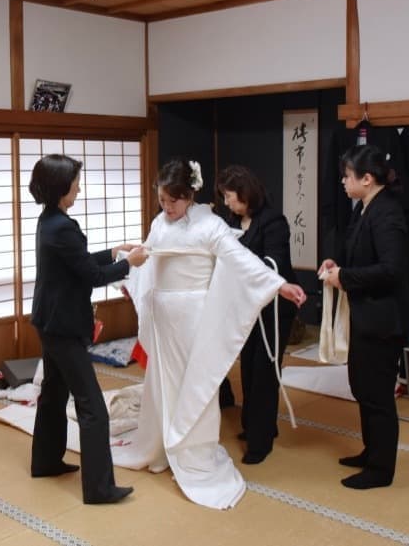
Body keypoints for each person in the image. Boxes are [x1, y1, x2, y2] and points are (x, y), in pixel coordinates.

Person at [113, 159, 306, 509]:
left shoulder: (212, 225)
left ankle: (194, 451)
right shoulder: (160, 222)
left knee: (196, 380)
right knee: (164, 381)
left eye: (174, 201)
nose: (167, 208)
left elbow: (241, 259)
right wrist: (132, 271)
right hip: (164, 317)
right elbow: (149, 256)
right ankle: (161, 445)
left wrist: (279, 286)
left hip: (194, 316)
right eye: (162, 200)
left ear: (189, 196)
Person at [28, 154, 149, 504]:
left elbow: (77, 263)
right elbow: (91, 277)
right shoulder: (62, 226)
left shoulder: (49, 220)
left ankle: (45, 461)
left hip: (49, 321)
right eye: (75, 182)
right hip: (64, 326)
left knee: (53, 394)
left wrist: (112, 252)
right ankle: (99, 488)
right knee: (93, 406)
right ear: (61, 187)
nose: (79, 188)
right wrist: (129, 263)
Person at [318, 144, 409, 490]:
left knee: (378, 395)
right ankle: (372, 451)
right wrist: (335, 265)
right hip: (365, 315)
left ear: (367, 179)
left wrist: (345, 278)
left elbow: (391, 268)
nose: (343, 181)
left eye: (347, 176)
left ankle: (381, 468)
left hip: (383, 319)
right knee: (362, 386)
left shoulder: (388, 212)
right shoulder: (364, 209)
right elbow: (358, 256)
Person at [216, 165, 298, 465]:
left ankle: (260, 443)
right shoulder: (234, 220)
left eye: (229, 196)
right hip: (246, 306)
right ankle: (257, 426)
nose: (226, 202)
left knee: (265, 372)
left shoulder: (273, 222)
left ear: (246, 193)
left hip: (275, 306)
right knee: (248, 368)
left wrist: (236, 261)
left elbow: (273, 264)